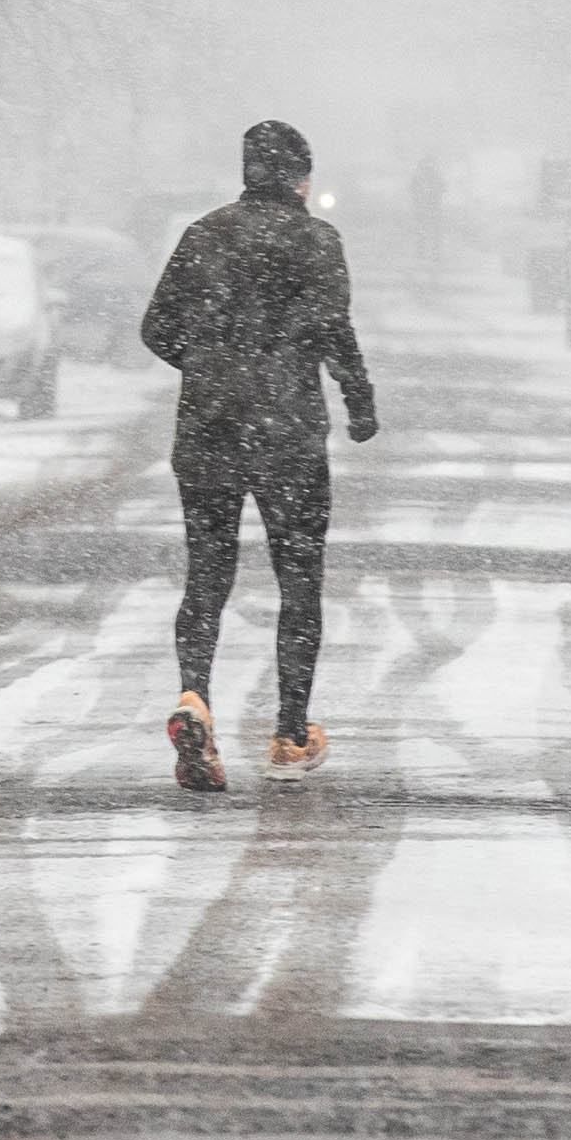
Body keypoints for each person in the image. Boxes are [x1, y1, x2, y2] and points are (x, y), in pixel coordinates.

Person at [139, 118, 377, 793]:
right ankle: (290, 731)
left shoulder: (204, 234)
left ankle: (193, 697)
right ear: (302, 178)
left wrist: (212, 366)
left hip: (209, 429)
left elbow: (156, 327)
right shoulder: (317, 240)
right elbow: (334, 327)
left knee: (206, 574)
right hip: (289, 435)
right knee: (297, 578)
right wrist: (358, 400)